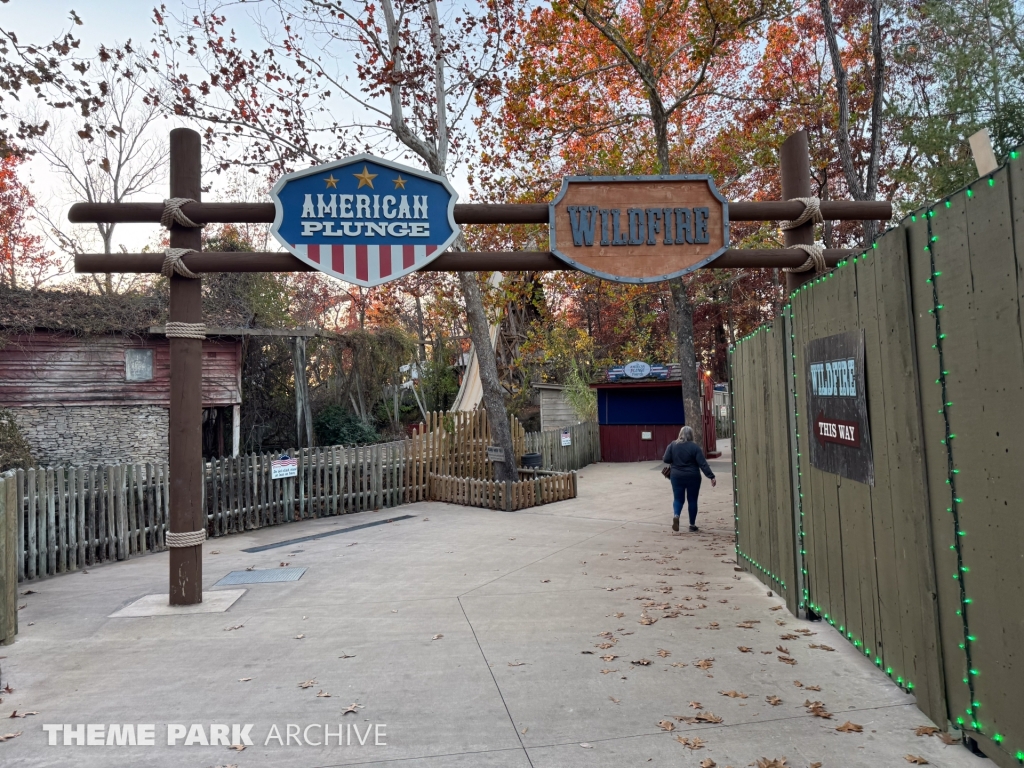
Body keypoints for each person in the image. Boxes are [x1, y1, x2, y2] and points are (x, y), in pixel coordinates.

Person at [662, 425, 716, 532]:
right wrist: (711, 476)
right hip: (693, 476)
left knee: (678, 499)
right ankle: (692, 525)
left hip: (676, 476)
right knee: (692, 500)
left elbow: (666, 459)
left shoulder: (673, 445)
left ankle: (676, 516)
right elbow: (703, 464)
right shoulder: (695, 447)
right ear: (691, 435)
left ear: (680, 434)